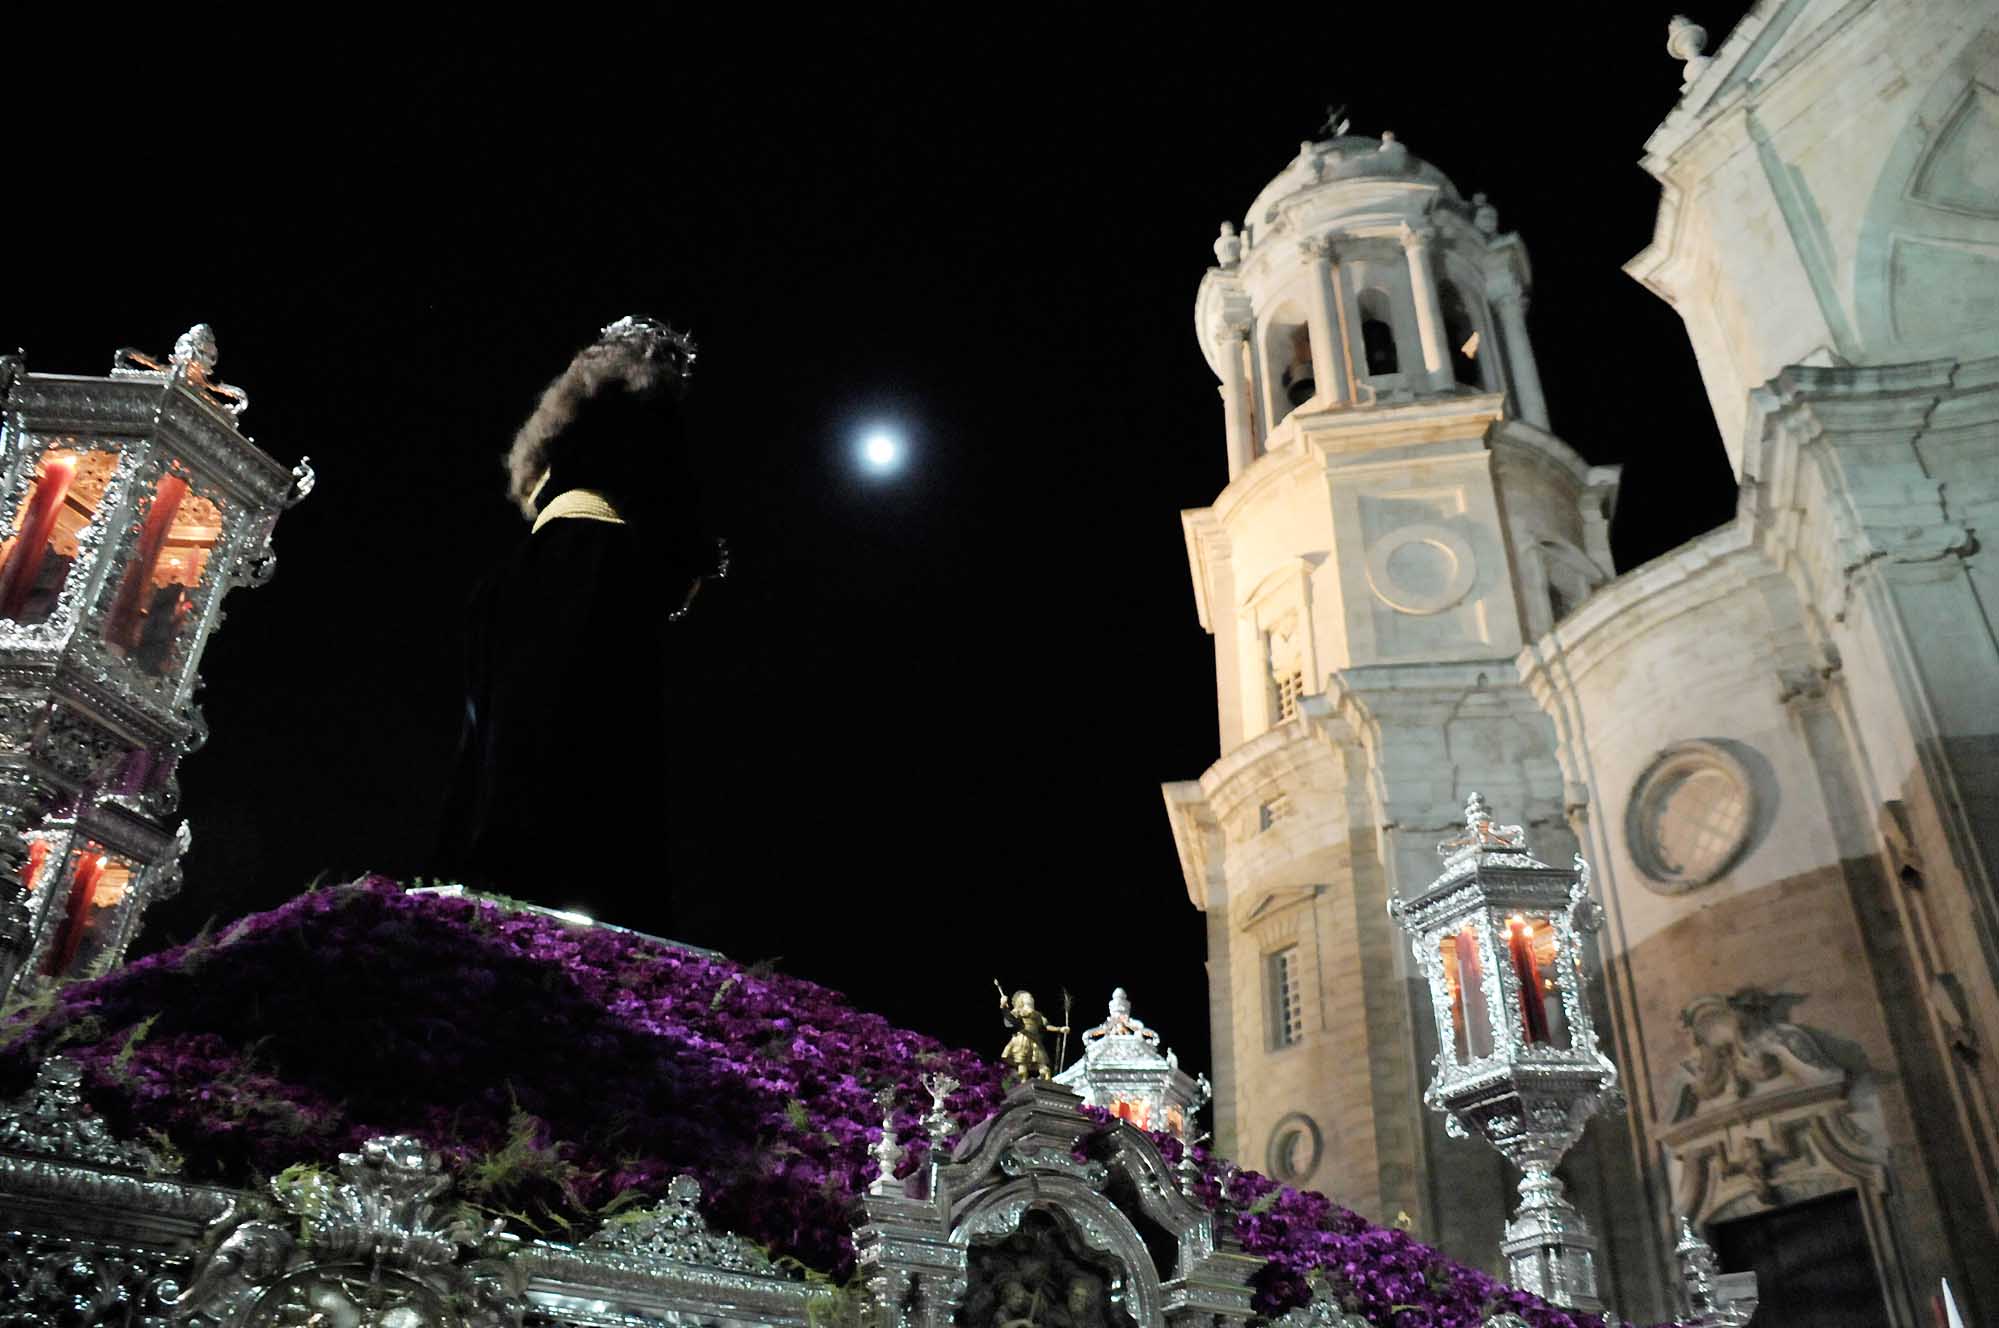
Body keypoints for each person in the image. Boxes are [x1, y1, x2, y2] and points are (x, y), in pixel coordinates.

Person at [434, 316, 727, 932]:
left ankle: (499, 872)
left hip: (525, 573)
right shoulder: (647, 398)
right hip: (593, 567)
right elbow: (669, 491)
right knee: (593, 734)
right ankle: (580, 887)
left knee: (508, 736)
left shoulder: (569, 407)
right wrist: (691, 561)